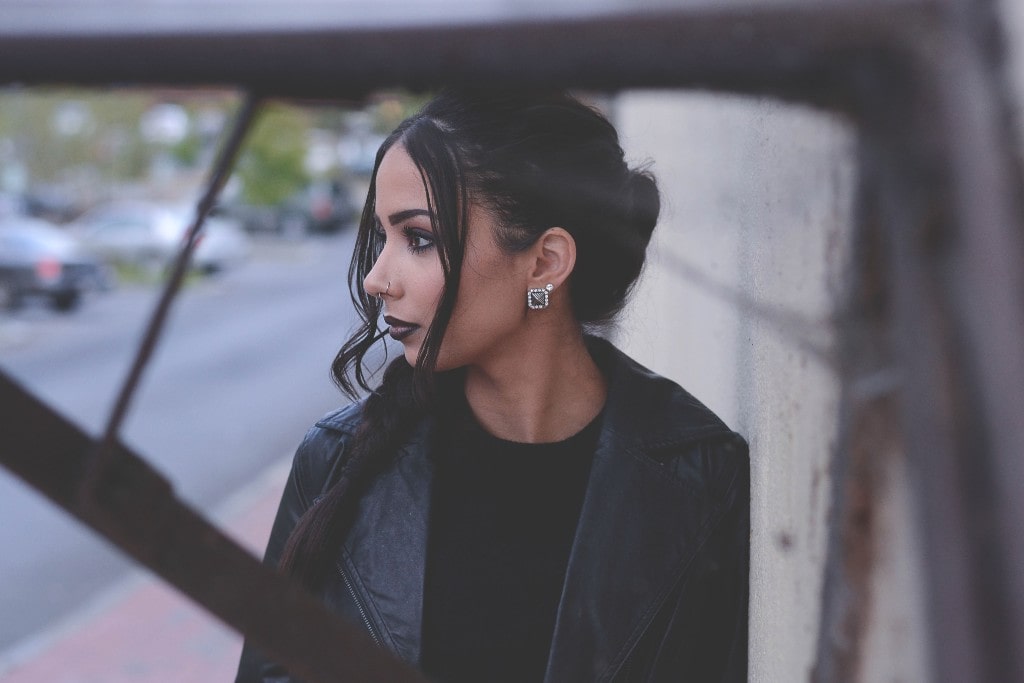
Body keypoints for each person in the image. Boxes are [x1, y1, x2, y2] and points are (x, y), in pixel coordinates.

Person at [236, 91, 749, 683]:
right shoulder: (333, 463)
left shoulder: (699, 474)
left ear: (544, 264)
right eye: (383, 237)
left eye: (419, 240)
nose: (377, 278)